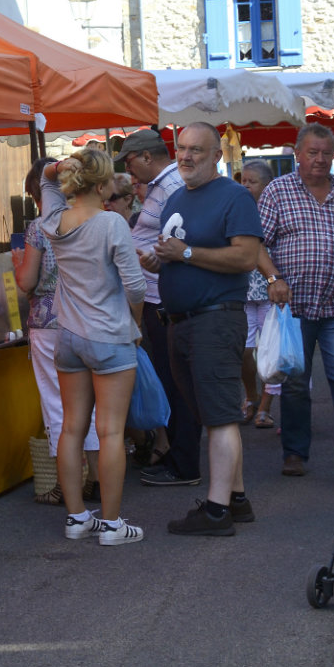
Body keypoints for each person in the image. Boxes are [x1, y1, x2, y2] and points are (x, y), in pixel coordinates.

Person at [141, 122, 263, 537]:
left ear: (217, 156)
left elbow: (246, 257)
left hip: (215, 318)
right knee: (213, 416)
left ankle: (216, 511)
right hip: (181, 322)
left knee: (221, 417)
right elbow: (177, 249)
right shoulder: (176, 197)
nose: (186, 156)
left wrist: (187, 253)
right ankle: (238, 499)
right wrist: (162, 259)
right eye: (181, 148)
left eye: (196, 150)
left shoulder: (234, 197)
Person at [37, 148, 146, 545]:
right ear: (101, 186)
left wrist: (57, 166)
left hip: (68, 334)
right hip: (109, 335)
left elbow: (45, 180)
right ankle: (113, 526)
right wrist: (135, 321)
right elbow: (135, 285)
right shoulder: (111, 223)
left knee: (71, 429)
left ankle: (77, 518)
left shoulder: (54, 220)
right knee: (111, 431)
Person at [256, 123, 334, 478]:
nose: (320, 160)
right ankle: (294, 452)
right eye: (313, 152)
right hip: (294, 307)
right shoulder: (277, 190)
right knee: (294, 381)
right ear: (298, 153)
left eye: (326, 153)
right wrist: (273, 278)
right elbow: (257, 244)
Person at [123, 128, 201, 489]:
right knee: (171, 381)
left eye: (128, 161)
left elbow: (182, 239)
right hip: (155, 294)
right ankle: (177, 456)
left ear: (146, 157)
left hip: (160, 297)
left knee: (175, 383)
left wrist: (153, 259)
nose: (127, 170)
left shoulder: (171, 187)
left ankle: (183, 462)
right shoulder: (161, 186)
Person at [15, 158, 80, 507]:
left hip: (48, 323)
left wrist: (16, 267)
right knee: (90, 405)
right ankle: (95, 479)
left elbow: (27, 280)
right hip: (86, 320)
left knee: (57, 406)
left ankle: (63, 487)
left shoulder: (39, 227)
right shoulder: (88, 220)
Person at [235, 161, 280, 429]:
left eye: (251, 181)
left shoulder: (275, 209)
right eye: (243, 181)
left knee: (272, 353)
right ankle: (250, 395)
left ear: (267, 185)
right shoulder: (237, 209)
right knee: (244, 350)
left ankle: (264, 405)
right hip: (242, 291)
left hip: (270, 291)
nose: (245, 186)